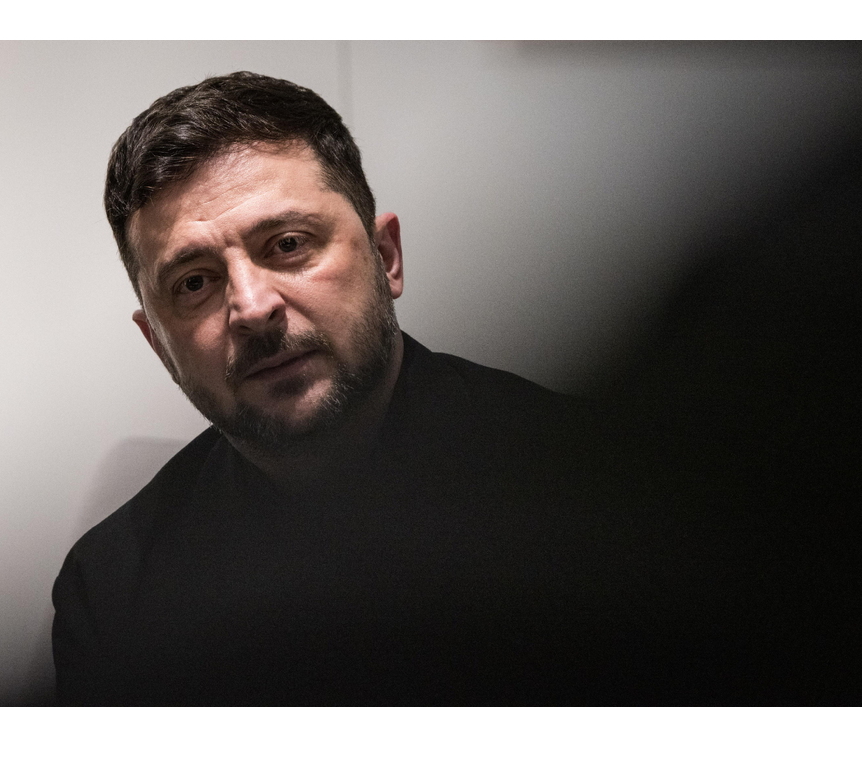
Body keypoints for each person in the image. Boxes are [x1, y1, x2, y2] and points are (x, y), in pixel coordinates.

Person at [51, 72, 843, 705]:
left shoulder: (610, 497)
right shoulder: (113, 588)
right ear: (158, 343)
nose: (252, 306)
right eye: (194, 283)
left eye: (288, 244)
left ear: (387, 259)